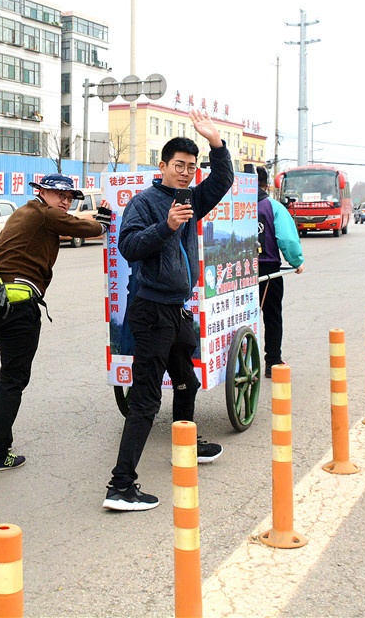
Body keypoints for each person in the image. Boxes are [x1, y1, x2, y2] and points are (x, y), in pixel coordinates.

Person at [103, 110, 235, 512]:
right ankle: (121, 486)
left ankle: (187, 443)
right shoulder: (143, 203)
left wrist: (216, 143)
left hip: (177, 311)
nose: (185, 172)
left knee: (186, 379)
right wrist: (168, 226)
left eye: (191, 167)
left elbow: (223, 181)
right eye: (179, 165)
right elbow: (129, 247)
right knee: (144, 400)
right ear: (162, 166)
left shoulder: (192, 198)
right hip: (150, 310)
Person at [0, 173, 112, 473]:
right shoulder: (43, 213)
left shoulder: (21, 214)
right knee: (15, 377)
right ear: (41, 192)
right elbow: (85, 227)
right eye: (59, 195)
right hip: (19, 306)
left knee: (9, 371)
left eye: (69, 197)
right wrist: (102, 221)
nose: (65, 202)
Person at [257, 166, 305, 377]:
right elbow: (287, 239)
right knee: (272, 315)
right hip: (267, 268)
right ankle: (272, 361)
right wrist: (297, 262)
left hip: (235, 270)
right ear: (266, 185)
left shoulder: (232, 204)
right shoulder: (273, 206)